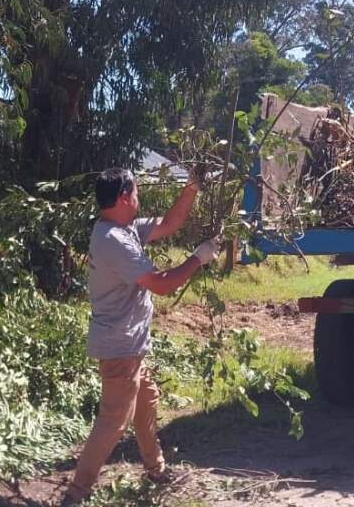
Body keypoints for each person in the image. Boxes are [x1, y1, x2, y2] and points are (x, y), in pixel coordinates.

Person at [63, 167, 221, 504]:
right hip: (120, 349)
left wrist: (192, 187)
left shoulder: (125, 228)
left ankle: (156, 470)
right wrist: (198, 259)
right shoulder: (113, 240)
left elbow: (169, 223)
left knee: (147, 402)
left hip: (130, 347)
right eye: (136, 192)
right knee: (113, 422)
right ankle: (76, 494)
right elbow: (162, 284)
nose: (139, 197)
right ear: (123, 198)